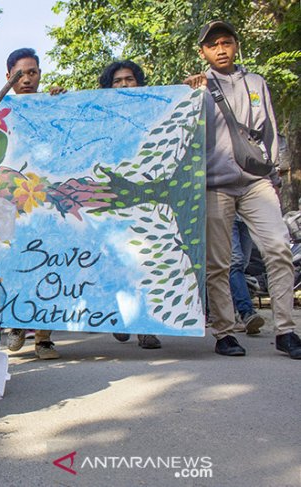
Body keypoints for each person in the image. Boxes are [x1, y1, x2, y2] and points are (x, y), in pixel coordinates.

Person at [184, 20, 300, 359]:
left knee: (279, 249)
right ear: (203, 52)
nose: (221, 49)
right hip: (214, 185)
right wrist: (187, 93)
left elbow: (270, 133)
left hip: (256, 182)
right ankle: (224, 332)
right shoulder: (196, 88)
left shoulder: (256, 83)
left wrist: (274, 174)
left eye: (226, 42)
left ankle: (286, 331)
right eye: (213, 45)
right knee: (219, 263)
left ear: (236, 45)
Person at [98, 60, 162, 350]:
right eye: (117, 81)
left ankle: (144, 327)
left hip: (146, 197)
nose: (124, 84)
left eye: (130, 79)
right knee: (117, 262)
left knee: (145, 261)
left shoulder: (155, 111)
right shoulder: (98, 113)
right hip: (111, 200)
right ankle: (121, 318)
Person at [3, 48, 61, 360]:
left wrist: (62, 105)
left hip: (45, 200)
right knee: (15, 263)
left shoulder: (52, 105)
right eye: (20, 73)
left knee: (46, 263)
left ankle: (43, 338)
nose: (27, 79)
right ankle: (15, 323)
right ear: (8, 76)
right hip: (9, 203)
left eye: (33, 72)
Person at [230, 217, 264, 334]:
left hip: (246, 217)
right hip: (226, 214)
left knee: (242, 265)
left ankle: (231, 315)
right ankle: (246, 312)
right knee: (235, 262)